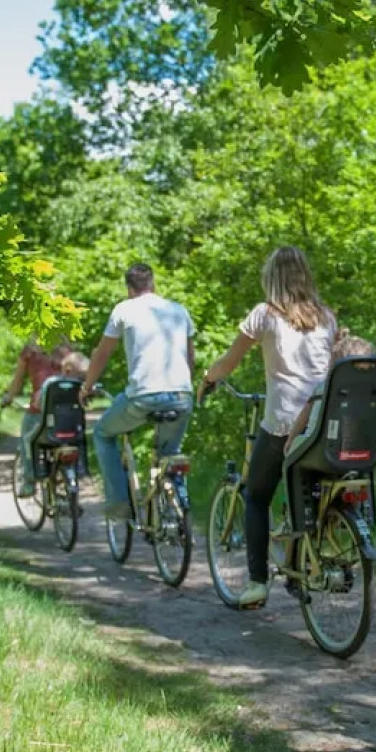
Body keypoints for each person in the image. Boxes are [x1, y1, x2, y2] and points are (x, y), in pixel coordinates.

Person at [198, 247, 337, 609]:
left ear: (272, 279)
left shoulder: (266, 314)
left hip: (284, 423)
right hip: (323, 421)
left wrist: (208, 378)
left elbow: (230, 360)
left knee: (256, 497)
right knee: (306, 489)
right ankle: (300, 559)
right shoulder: (327, 317)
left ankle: (258, 584)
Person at [81, 264, 196, 520]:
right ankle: (176, 510)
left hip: (143, 397)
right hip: (182, 395)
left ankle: (119, 501)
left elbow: (103, 354)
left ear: (130, 289)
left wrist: (87, 386)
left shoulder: (124, 309)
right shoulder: (178, 310)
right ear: (152, 284)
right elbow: (190, 359)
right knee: (170, 456)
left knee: (102, 433)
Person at [1, 337, 76, 495]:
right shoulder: (68, 349)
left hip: (39, 412)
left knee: (26, 439)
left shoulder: (30, 351)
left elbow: (17, 381)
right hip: (67, 415)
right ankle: (68, 483)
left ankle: (29, 482)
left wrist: (8, 397)